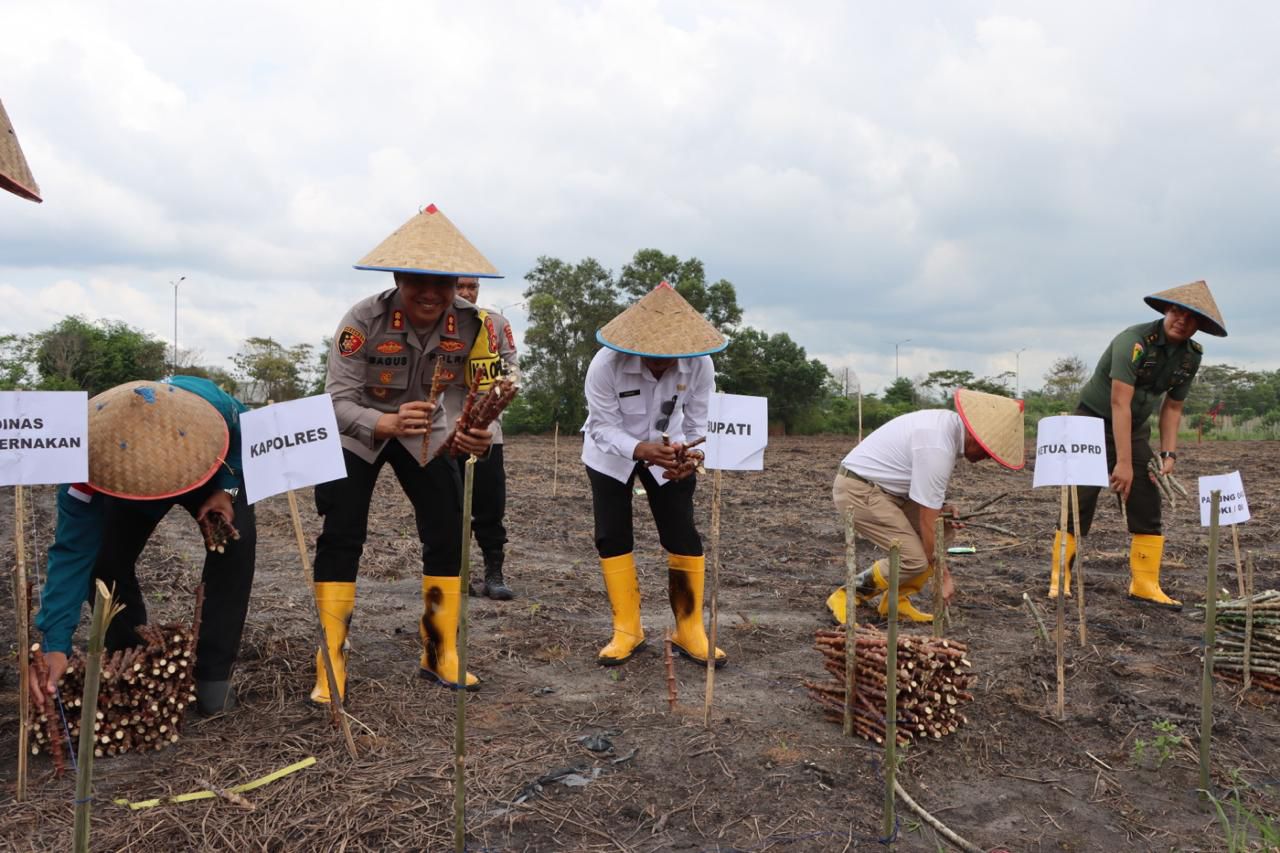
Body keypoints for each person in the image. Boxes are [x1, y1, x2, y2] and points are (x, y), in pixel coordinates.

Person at [311, 203, 497, 701]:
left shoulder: (482, 326)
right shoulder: (361, 320)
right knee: (341, 532)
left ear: (459, 281)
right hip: (359, 433)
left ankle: (440, 649)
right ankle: (331, 657)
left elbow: (486, 396)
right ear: (397, 278)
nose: (432, 294)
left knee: (448, 529)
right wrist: (384, 421)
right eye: (419, 281)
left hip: (429, 434)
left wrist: (480, 432)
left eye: (445, 282)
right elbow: (336, 400)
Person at [31, 376, 255, 716]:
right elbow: (72, 555)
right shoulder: (86, 470)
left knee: (234, 548)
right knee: (105, 562)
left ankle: (213, 674)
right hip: (124, 485)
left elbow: (247, 439)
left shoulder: (218, 409)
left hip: (209, 471)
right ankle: (130, 655)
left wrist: (227, 490)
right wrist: (55, 644)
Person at [1048, 280, 1227, 610]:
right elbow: (1119, 404)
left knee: (1146, 496)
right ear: (1165, 311)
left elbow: (1172, 407)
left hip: (1134, 429)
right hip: (1090, 423)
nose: (1181, 320)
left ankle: (1144, 584)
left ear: (1199, 325)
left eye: (1191, 317)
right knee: (1080, 498)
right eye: (1176, 311)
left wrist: (1168, 453)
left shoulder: (1191, 358)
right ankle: (1061, 580)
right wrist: (1123, 463)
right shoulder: (1134, 341)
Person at [582, 282, 728, 667]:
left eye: (668, 358)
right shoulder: (605, 365)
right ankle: (627, 630)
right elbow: (601, 427)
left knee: (681, 533)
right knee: (612, 534)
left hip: (673, 450)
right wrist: (641, 450)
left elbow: (701, 421)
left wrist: (692, 456)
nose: (660, 364)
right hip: (610, 455)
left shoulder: (699, 363)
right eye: (651, 357)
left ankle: (689, 629)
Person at [826, 388, 1025, 624]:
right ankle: (849, 594)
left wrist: (942, 507)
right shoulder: (938, 446)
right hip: (859, 489)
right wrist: (943, 576)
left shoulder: (946, 430)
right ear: (975, 435)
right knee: (913, 558)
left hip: (889, 491)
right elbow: (925, 520)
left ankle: (896, 602)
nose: (987, 458)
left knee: (944, 530)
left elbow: (926, 505)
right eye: (988, 450)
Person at [454, 275, 519, 599]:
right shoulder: (435, 323)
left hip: (487, 432)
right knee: (446, 507)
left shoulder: (496, 323)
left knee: (491, 505)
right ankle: (453, 573)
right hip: (444, 430)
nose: (466, 293)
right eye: (459, 286)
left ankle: (494, 572)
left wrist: (494, 407)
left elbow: (511, 368)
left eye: (472, 286)